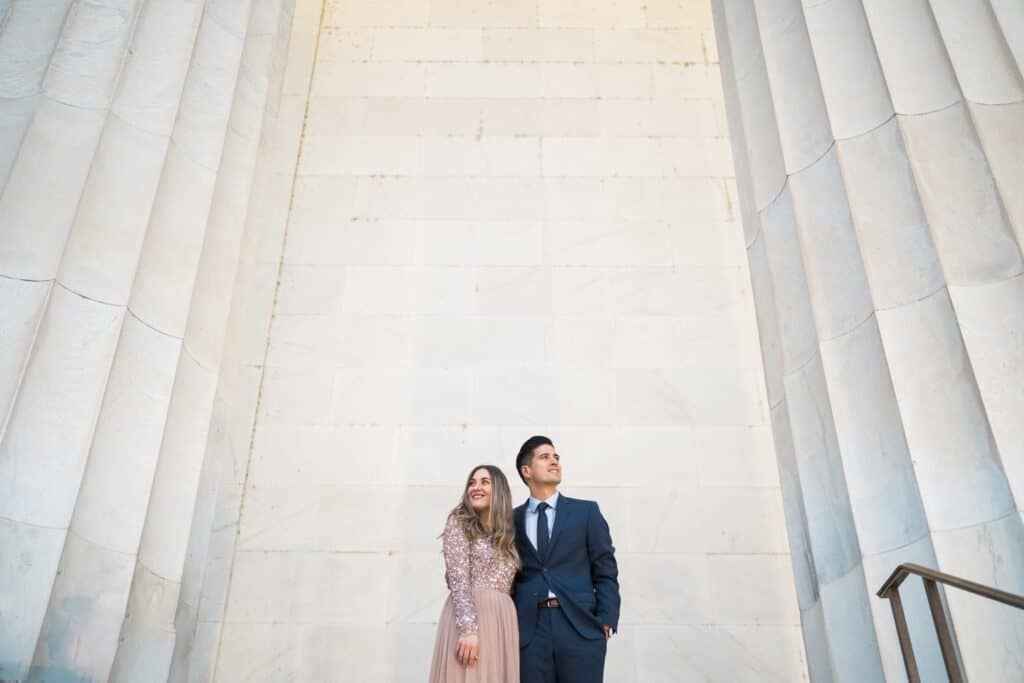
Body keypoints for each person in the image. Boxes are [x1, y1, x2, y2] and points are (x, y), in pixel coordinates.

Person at [512, 436, 621, 683]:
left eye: (556, 457)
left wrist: (606, 618)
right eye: (545, 457)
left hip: (579, 627)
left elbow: (605, 568)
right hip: (530, 632)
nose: (554, 462)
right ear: (526, 471)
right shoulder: (510, 520)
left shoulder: (587, 512)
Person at [429, 465, 521, 682]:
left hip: (501, 621)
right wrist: (468, 630)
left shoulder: (509, 532)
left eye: (484, 482)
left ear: (499, 490)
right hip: (469, 618)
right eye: (472, 482)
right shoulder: (459, 522)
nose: (475, 487)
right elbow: (459, 580)